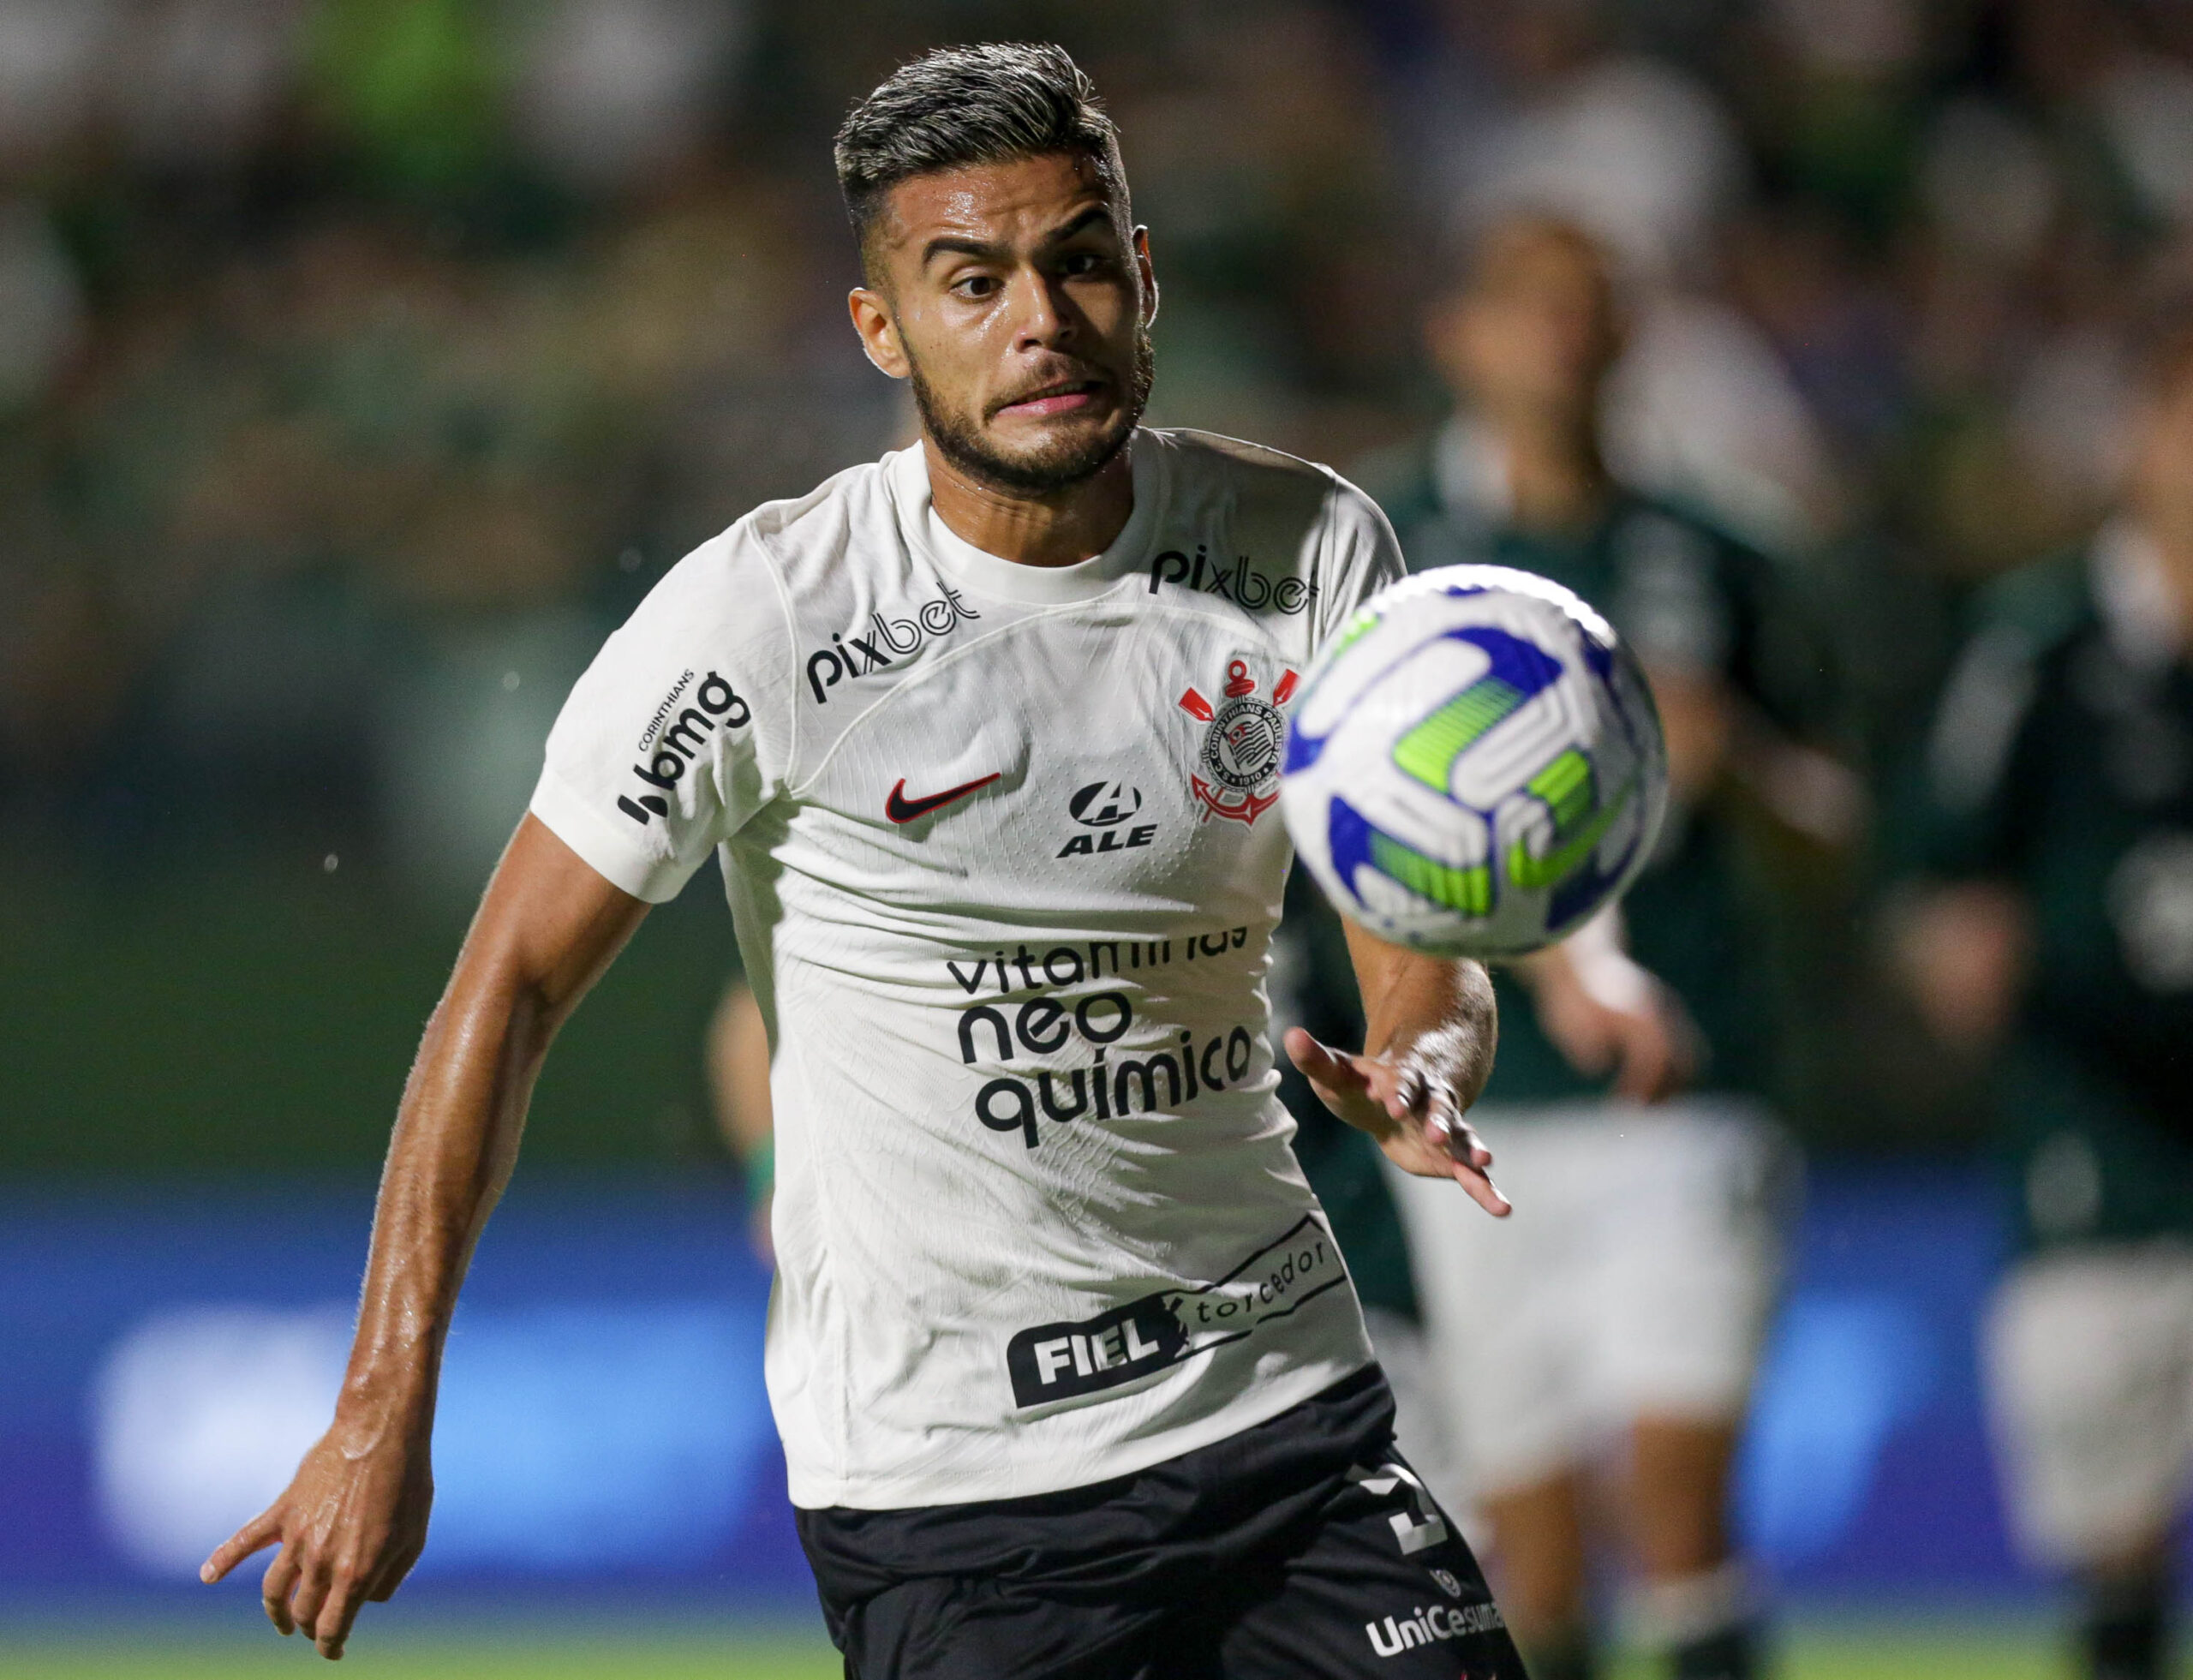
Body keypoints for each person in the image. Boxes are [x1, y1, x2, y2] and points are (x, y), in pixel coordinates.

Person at [198, 45, 1528, 1678]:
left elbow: (1414, 935)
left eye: (1078, 262)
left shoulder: (1310, 547)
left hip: (1287, 1409)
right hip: (958, 1497)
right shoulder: (764, 616)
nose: (1040, 320)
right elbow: (512, 983)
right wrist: (382, 1403)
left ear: (1142, 278)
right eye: (972, 282)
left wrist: (1424, 1059)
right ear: (881, 331)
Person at [1333, 213, 1839, 1680]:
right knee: (1529, 1545)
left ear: (1628, 335)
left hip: (1682, 1092)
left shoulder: (1717, 551)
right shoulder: (1375, 548)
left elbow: (1840, 830)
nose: (1563, 333)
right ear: (1458, 335)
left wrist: (1742, 764)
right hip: (1469, 1108)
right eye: (1530, 304)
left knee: (1679, 1503)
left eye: (1590, 305)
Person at [1899, 296, 2193, 1680]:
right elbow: (1937, 881)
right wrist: (1967, 954)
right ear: (2142, 435)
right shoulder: (2044, 642)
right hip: (2096, 1153)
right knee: (2114, 1558)